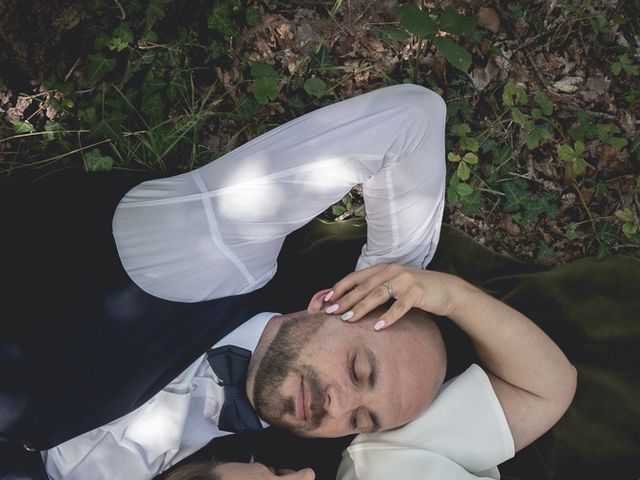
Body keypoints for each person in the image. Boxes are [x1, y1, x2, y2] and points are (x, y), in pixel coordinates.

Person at [1, 83, 576, 480]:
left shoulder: (280, 461)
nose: (337, 405)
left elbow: (537, 393)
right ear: (331, 301)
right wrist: (409, 274)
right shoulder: (206, 255)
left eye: (362, 420)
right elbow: (410, 119)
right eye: (357, 369)